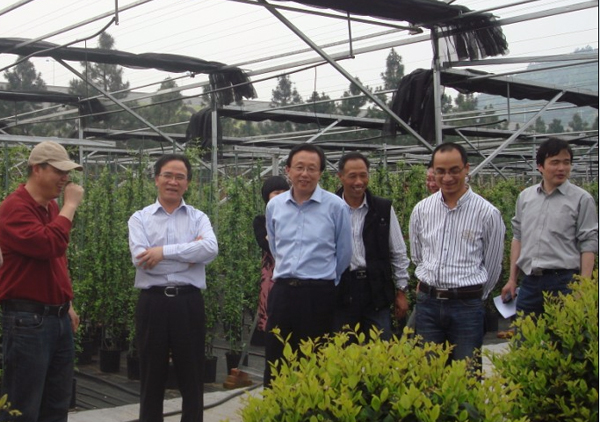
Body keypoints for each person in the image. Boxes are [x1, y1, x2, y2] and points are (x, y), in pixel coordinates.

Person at [128, 154, 218, 422]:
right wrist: (190, 257)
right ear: (156, 179)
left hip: (188, 302)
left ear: (188, 183)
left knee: (192, 375)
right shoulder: (140, 218)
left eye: (180, 177)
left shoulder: (198, 217)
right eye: (167, 175)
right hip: (153, 302)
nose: (173, 181)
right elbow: (142, 261)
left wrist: (162, 252)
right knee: (151, 375)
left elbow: (210, 249)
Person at [0, 141, 84, 422]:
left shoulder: (50, 208)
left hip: (55, 317)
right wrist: (70, 205)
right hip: (28, 320)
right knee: (22, 406)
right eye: (59, 171)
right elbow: (49, 245)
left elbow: (57, 261)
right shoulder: (14, 209)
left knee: (56, 404)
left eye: (67, 173)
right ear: (37, 169)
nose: (65, 178)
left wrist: (66, 302)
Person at [409, 142, 505, 366]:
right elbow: (418, 256)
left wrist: (474, 295)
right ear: (433, 171)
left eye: (454, 170)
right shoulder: (422, 210)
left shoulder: (487, 213)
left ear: (466, 169)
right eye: (440, 171)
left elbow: (493, 265)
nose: (447, 178)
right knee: (429, 372)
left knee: (466, 371)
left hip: (466, 307)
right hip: (428, 304)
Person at [264, 143, 352, 387]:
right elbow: (275, 248)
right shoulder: (274, 206)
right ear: (288, 170)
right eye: (299, 167)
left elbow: (344, 253)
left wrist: (325, 279)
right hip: (283, 292)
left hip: (319, 295)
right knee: (276, 361)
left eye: (312, 168)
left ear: (320, 173)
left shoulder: (336, 206)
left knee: (316, 362)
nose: (305, 174)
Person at [500, 138, 598, 317]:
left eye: (566, 162)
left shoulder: (582, 199)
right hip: (530, 283)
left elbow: (589, 244)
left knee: (564, 333)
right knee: (525, 332)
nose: (562, 168)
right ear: (540, 166)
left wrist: (583, 288)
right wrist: (512, 279)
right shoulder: (526, 197)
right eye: (555, 162)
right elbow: (518, 238)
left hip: (565, 282)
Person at [333, 152, 410, 341]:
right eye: (352, 176)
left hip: (375, 290)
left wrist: (401, 290)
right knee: (342, 348)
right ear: (340, 176)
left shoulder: (382, 209)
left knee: (381, 346)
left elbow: (398, 252)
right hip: (341, 290)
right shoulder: (330, 208)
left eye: (363, 175)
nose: (359, 182)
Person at [252, 176, 289, 339]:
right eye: (276, 192)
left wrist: (272, 237)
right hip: (271, 273)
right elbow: (266, 245)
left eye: (284, 192)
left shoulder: (296, 217)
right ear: (267, 196)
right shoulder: (261, 220)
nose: (281, 196)